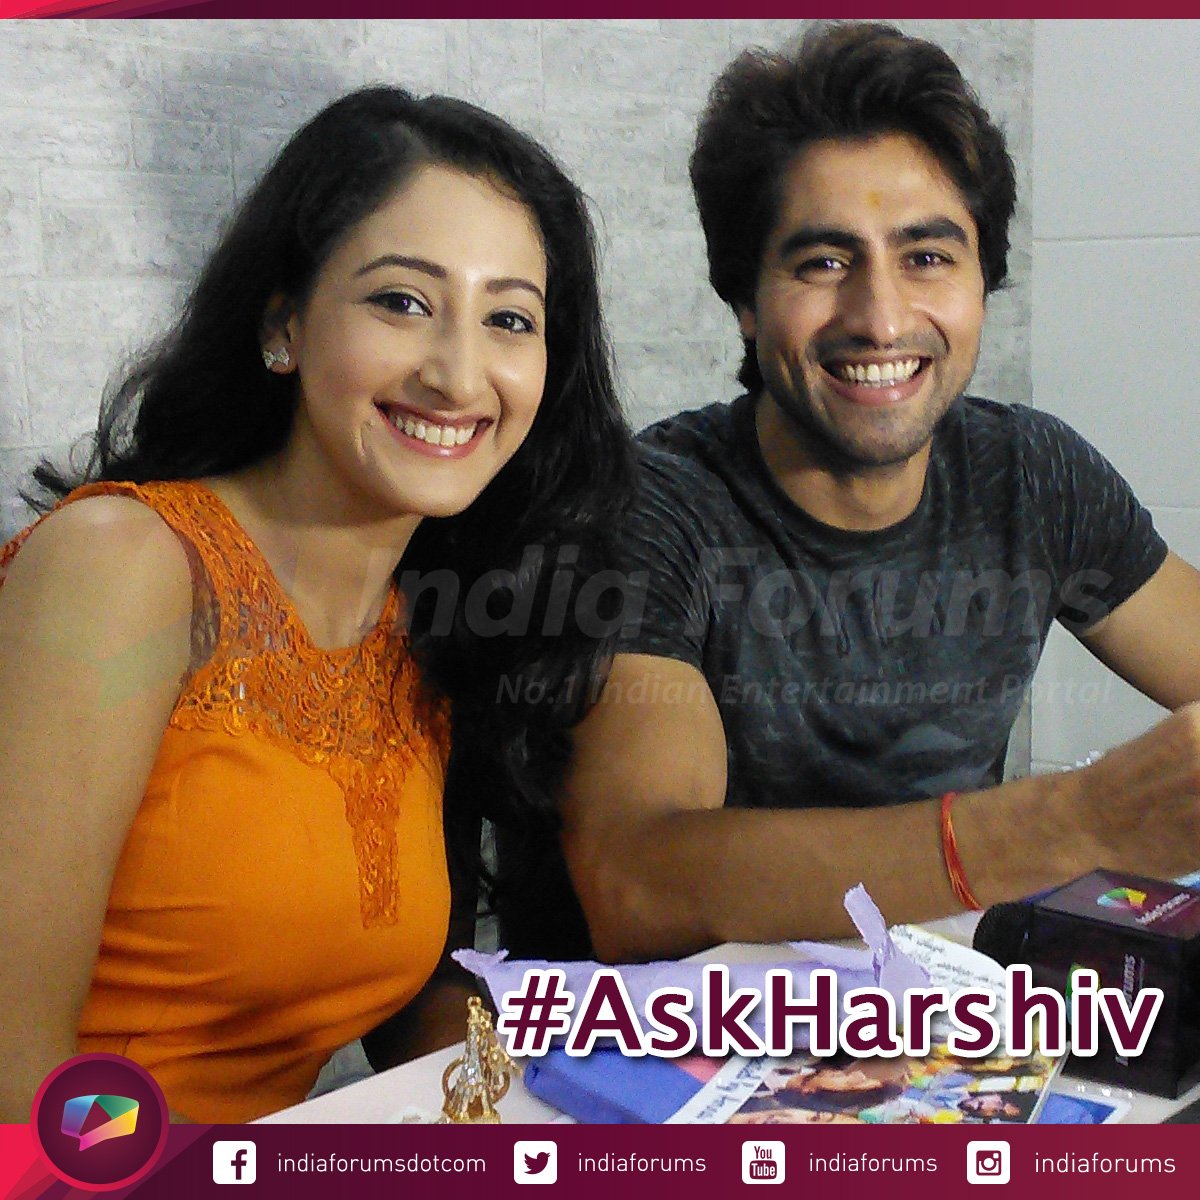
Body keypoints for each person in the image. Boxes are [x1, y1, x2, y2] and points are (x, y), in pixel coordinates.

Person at [0, 87, 632, 1122]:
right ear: (283, 324)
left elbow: (412, 999)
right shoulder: (124, 565)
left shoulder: (431, 623)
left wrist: (573, 1108)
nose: (458, 373)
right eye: (403, 302)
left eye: (510, 319)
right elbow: (13, 1075)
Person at [559, 22, 1200, 962]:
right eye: (824, 261)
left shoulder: (1033, 476)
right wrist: (1073, 821)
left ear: (984, 281)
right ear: (744, 300)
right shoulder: (653, 507)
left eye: (927, 257)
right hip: (702, 1030)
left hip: (944, 1016)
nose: (881, 317)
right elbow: (639, 883)